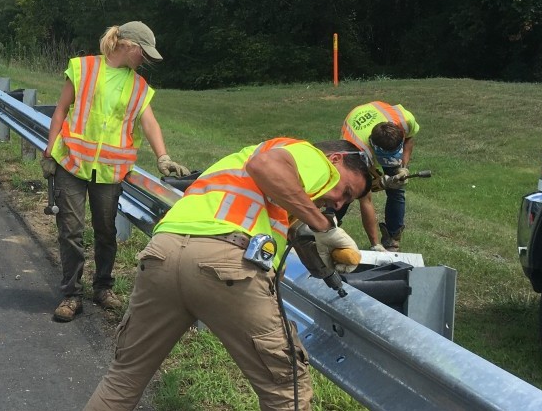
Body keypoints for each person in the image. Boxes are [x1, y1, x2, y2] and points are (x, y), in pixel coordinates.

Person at [83, 138, 373, 411]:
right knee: (287, 391)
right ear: (336, 159)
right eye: (346, 191)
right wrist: (325, 227)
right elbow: (265, 168)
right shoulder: (311, 157)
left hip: (161, 255)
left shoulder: (238, 163)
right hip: (226, 264)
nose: (338, 203)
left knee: (124, 377)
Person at [41, 21, 191, 323]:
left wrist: (163, 157)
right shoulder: (82, 68)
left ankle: (103, 287)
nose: (145, 60)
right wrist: (49, 150)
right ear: (128, 46)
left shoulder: (138, 86)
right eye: (143, 53)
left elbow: (149, 123)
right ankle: (71, 295)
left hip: (109, 171)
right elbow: (61, 109)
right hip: (71, 162)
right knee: (71, 231)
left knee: (106, 231)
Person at [337, 101, 420, 251]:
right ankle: (325, 227)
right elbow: (365, 199)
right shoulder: (357, 148)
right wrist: (375, 244)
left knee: (397, 188)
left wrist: (404, 168)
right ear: (373, 146)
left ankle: (392, 239)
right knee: (349, 191)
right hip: (356, 137)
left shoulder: (405, 121)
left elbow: (409, 139)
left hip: (377, 118)